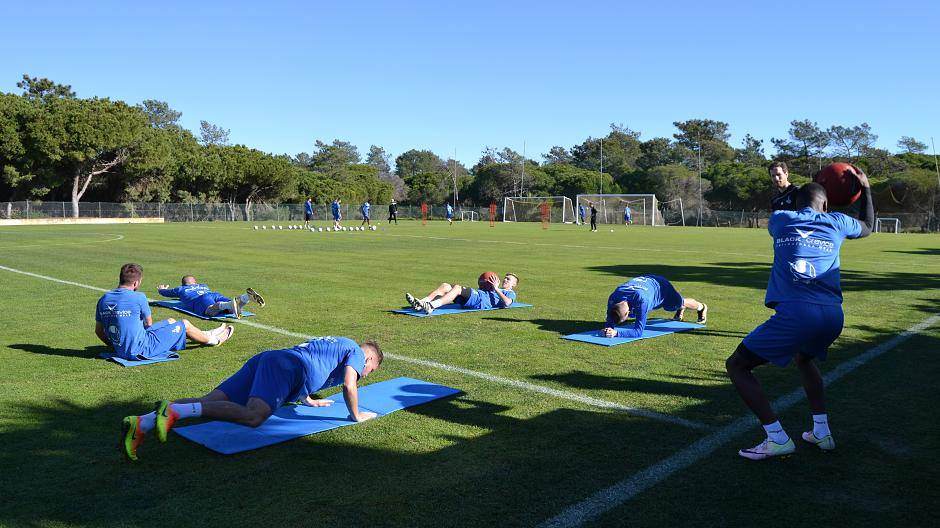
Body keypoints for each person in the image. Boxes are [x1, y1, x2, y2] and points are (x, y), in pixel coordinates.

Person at [725, 168, 874, 461]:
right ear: (827, 206)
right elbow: (868, 225)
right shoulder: (838, 222)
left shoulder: (781, 219)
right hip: (833, 315)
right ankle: (821, 431)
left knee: (737, 366)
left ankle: (777, 438)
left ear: (795, 205)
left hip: (797, 313)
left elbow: (788, 209)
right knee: (804, 358)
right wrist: (865, 189)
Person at [121, 336, 384, 461]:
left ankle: (142, 423)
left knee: (208, 400)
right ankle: (175, 413)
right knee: (253, 415)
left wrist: (308, 399)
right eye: (370, 370)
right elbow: (350, 384)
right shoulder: (357, 352)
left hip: (271, 359)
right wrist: (355, 415)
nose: (366, 374)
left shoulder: (338, 344)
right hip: (284, 368)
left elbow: (312, 361)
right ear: (370, 358)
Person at [96, 264, 233, 363]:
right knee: (184, 324)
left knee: (171, 321)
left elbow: (99, 331)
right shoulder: (138, 297)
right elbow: (148, 324)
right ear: (136, 282)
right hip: (142, 348)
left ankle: (205, 333)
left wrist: (117, 346)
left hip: (125, 347)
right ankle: (214, 340)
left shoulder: (103, 299)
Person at [601, 275, 707, 338]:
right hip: (646, 285)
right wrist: (609, 328)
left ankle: (701, 307)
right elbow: (610, 319)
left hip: (661, 288)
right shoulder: (614, 298)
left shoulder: (641, 301)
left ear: (627, 313)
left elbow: (638, 332)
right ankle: (680, 308)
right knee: (673, 307)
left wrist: (617, 333)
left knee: (679, 303)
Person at [405, 273, 519, 315]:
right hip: (477, 296)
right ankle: (421, 303)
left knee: (458, 288)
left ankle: (430, 306)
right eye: (505, 278)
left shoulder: (511, 293)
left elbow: (507, 303)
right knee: (446, 286)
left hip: (480, 301)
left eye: (508, 279)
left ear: (514, 284)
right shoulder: (497, 287)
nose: (505, 280)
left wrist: (496, 288)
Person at [158, 276, 265, 319]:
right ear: (195, 282)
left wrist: (162, 289)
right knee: (235, 307)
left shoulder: (180, 289)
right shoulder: (204, 285)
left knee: (210, 311)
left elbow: (165, 293)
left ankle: (228, 304)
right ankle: (246, 297)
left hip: (201, 299)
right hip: (214, 294)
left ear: (183, 284)